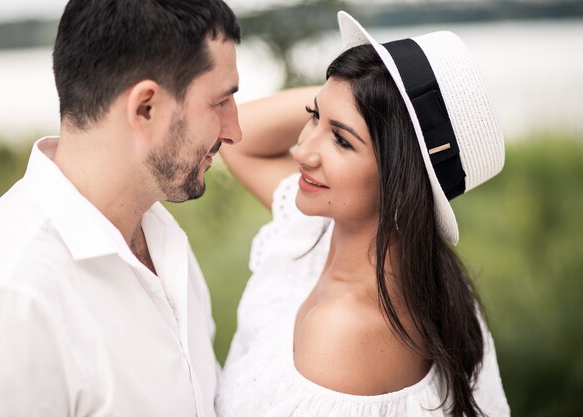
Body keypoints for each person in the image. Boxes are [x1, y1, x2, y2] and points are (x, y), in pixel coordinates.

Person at [216, 11, 509, 417]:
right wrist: (358, 90)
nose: (302, 150)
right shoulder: (333, 234)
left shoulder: (342, 332)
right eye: (312, 115)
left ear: (400, 180)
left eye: (341, 140)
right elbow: (237, 136)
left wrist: (358, 103)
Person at [0, 1, 241, 416]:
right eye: (220, 103)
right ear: (146, 107)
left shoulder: (163, 240)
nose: (234, 130)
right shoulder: (9, 298)